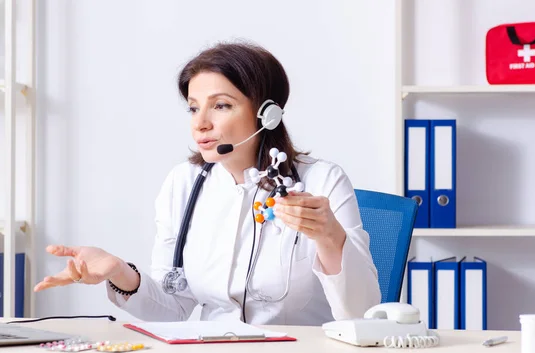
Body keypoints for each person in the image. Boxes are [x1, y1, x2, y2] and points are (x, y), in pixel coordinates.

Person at [34, 41, 381, 326]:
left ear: (267, 114)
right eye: (193, 108)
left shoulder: (321, 181)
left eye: (221, 106)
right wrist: (119, 271)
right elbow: (172, 310)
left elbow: (361, 313)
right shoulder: (183, 184)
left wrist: (330, 238)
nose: (200, 124)